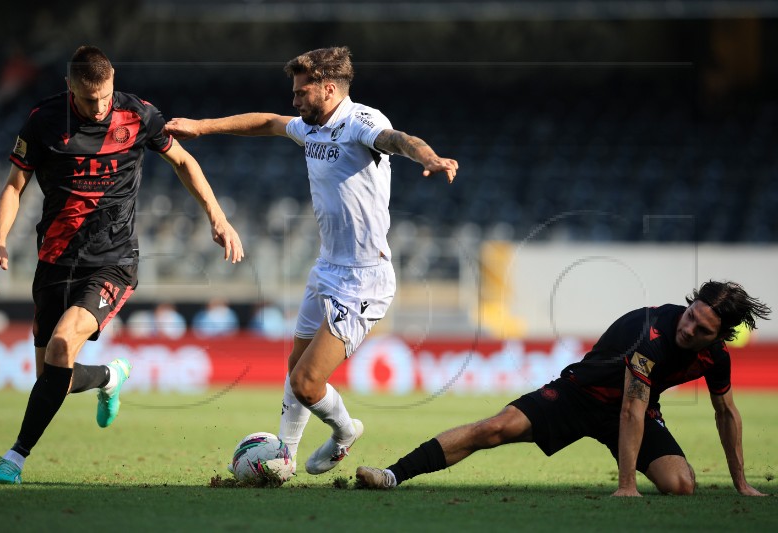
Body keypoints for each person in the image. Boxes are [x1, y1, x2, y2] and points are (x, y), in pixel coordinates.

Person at [165, 46, 458, 475]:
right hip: (326, 268)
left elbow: (398, 141)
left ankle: (344, 432)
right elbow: (266, 122)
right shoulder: (309, 127)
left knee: (306, 383)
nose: (295, 100)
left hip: (364, 279)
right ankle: (285, 454)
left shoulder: (361, 122)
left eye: (302, 92)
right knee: (294, 368)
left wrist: (428, 157)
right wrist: (201, 127)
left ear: (328, 88)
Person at [0, 45, 243, 484]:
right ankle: (108, 376)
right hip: (55, 260)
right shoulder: (44, 121)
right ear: (69, 87)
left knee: (64, 344)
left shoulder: (138, 115)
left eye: (105, 96)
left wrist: (218, 217)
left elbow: (182, 160)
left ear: (113, 80)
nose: (99, 107)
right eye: (88, 99)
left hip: (113, 261)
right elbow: (14, 185)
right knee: (52, 378)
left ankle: (14, 457)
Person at [356, 281, 770, 497]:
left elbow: (726, 413)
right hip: (579, 395)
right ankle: (391, 474)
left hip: (632, 411)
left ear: (720, 336)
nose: (689, 328)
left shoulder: (715, 357)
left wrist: (742, 482)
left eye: (702, 329)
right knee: (494, 429)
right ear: (690, 303)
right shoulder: (653, 330)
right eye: (691, 315)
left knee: (682, 485)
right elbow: (630, 407)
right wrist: (627, 485)